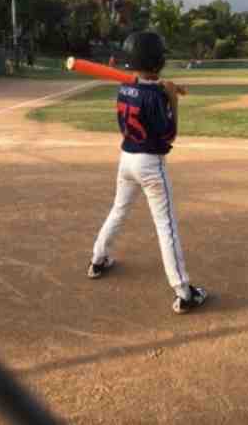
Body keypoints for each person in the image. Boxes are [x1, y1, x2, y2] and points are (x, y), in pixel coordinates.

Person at [88, 31, 208, 314]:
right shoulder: (156, 97)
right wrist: (172, 100)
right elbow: (169, 135)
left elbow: (146, 90)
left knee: (119, 210)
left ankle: (97, 259)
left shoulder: (124, 86)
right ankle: (184, 292)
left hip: (126, 159)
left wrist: (163, 90)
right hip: (150, 165)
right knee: (166, 226)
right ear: (158, 60)